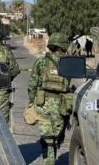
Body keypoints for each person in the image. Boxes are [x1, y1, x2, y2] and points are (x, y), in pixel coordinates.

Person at [28, 33, 72, 165]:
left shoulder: (41, 61)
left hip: (43, 104)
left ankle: (49, 156)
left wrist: (31, 101)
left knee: (48, 137)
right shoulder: (69, 62)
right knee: (55, 136)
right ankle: (50, 161)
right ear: (63, 45)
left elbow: (32, 84)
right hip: (62, 106)